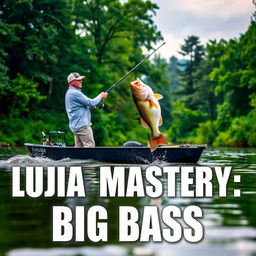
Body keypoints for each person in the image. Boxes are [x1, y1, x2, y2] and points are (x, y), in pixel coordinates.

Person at [65, 72, 108, 147]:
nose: (81, 81)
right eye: (78, 80)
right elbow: (91, 102)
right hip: (82, 126)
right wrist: (101, 96)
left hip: (76, 126)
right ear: (71, 82)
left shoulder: (69, 93)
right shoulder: (75, 93)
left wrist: (96, 101)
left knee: (79, 150)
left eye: (81, 80)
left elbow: (87, 105)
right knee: (90, 146)